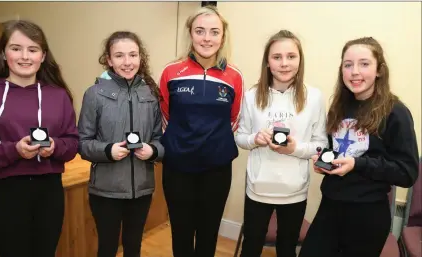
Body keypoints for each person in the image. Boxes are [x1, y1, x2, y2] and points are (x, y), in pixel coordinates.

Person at [298, 37, 419, 257]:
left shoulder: (396, 112)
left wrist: (357, 164)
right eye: (348, 64)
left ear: (379, 70)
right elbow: (335, 149)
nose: (354, 71)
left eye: (364, 63)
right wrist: (325, 161)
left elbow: (407, 172)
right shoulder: (339, 106)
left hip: (367, 215)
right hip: (330, 207)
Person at [0, 20, 78, 257]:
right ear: (3, 54)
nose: (25, 56)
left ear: (43, 55)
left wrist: (56, 147)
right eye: (16, 48)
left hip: (49, 192)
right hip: (3, 193)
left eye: (33, 49)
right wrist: (13, 150)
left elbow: (72, 143)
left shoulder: (58, 96)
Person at [158, 5, 244, 257]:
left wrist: (210, 145)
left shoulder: (234, 76)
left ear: (222, 37)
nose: (207, 38)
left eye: (214, 32)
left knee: (208, 234)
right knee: (181, 233)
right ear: (191, 34)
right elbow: (165, 115)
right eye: (200, 31)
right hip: (177, 168)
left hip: (216, 169)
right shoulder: (171, 72)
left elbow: (234, 118)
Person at [234, 30, 328, 257]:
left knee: (287, 248)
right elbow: (240, 138)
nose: (284, 63)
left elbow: (321, 146)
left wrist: (295, 148)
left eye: (291, 56)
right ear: (267, 62)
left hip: (295, 191)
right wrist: (255, 139)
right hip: (258, 188)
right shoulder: (251, 95)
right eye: (277, 57)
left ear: (300, 60)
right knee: (251, 246)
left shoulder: (314, 97)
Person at [77, 31, 164, 257]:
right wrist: (108, 150)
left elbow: (160, 139)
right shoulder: (94, 94)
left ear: (140, 58)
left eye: (133, 55)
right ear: (109, 59)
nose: (127, 62)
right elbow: (83, 143)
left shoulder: (151, 93)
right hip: (106, 191)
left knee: (133, 247)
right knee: (107, 247)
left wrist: (153, 151)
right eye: (119, 56)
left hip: (142, 189)